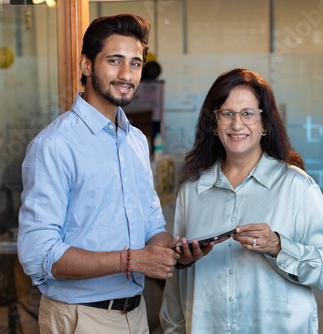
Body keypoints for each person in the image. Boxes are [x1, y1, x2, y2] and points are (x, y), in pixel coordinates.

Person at [17, 14, 210, 334]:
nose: (126, 74)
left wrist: (177, 251)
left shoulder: (135, 140)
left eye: (135, 63)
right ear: (86, 65)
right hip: (80, 318)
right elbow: (39, 255)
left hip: (135, 314)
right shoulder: (55, 145)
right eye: (115, 60)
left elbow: (151, 225)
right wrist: (130, 261)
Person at [160, 69, 323, 333]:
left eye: (248, 113)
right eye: (227, 113)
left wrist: (279, 246)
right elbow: (177, 277)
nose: (237, 124)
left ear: (265, 124)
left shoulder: (296, 186)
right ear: (214, 123)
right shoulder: (192, 188)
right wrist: (185, 261)